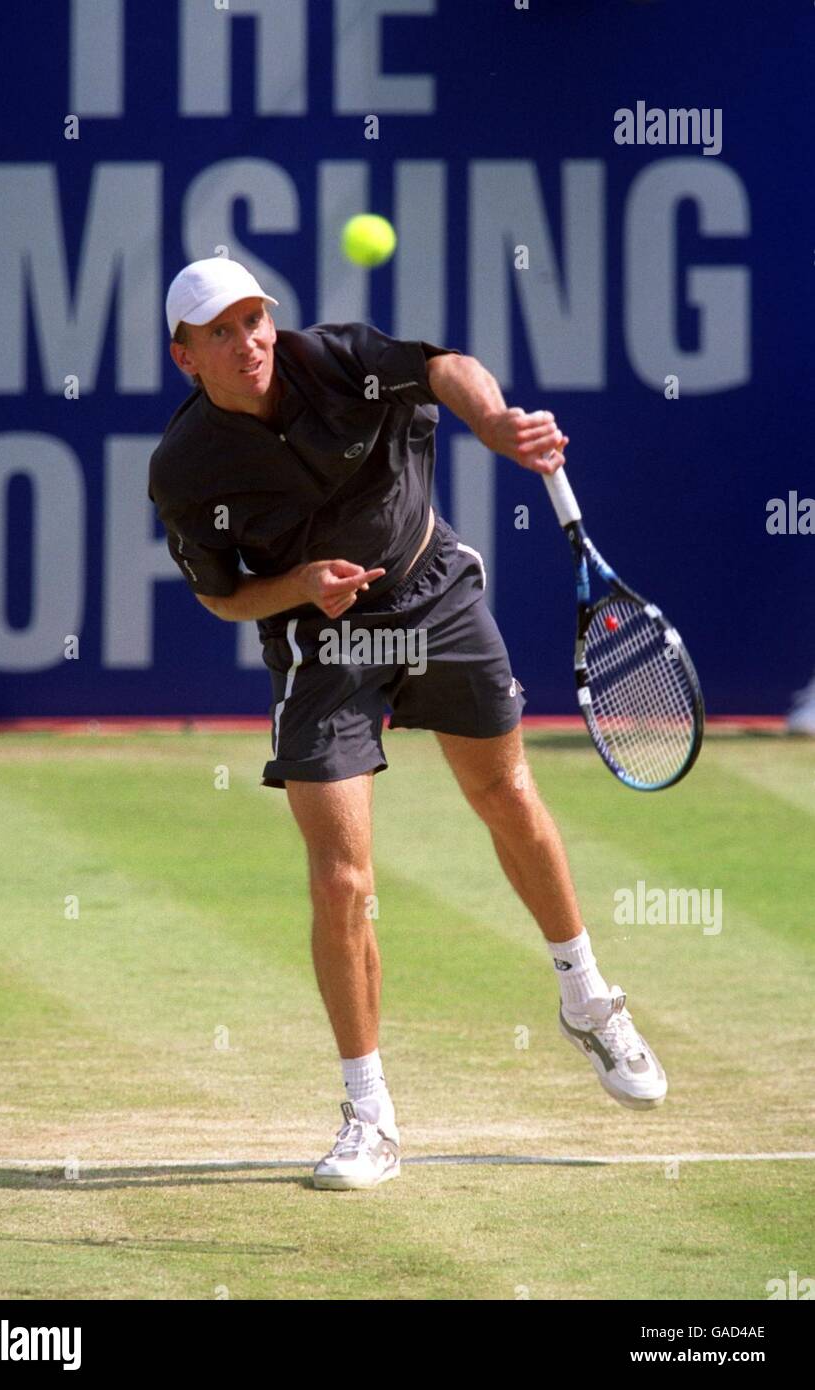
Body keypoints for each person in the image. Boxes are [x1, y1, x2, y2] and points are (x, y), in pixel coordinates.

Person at [149, 256, 667, 1191]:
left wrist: (492, 421)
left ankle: (588, 999)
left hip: (434, 594)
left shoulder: (335, 358)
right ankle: (369, 1116)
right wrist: (300, 586)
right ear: (185, 358)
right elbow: (221, 598)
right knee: (342, 879)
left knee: (506, 794)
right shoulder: (185, 468)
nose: (247, 341)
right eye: (219, 332)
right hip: (322, 642)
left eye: (254, 319)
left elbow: (443, 367)